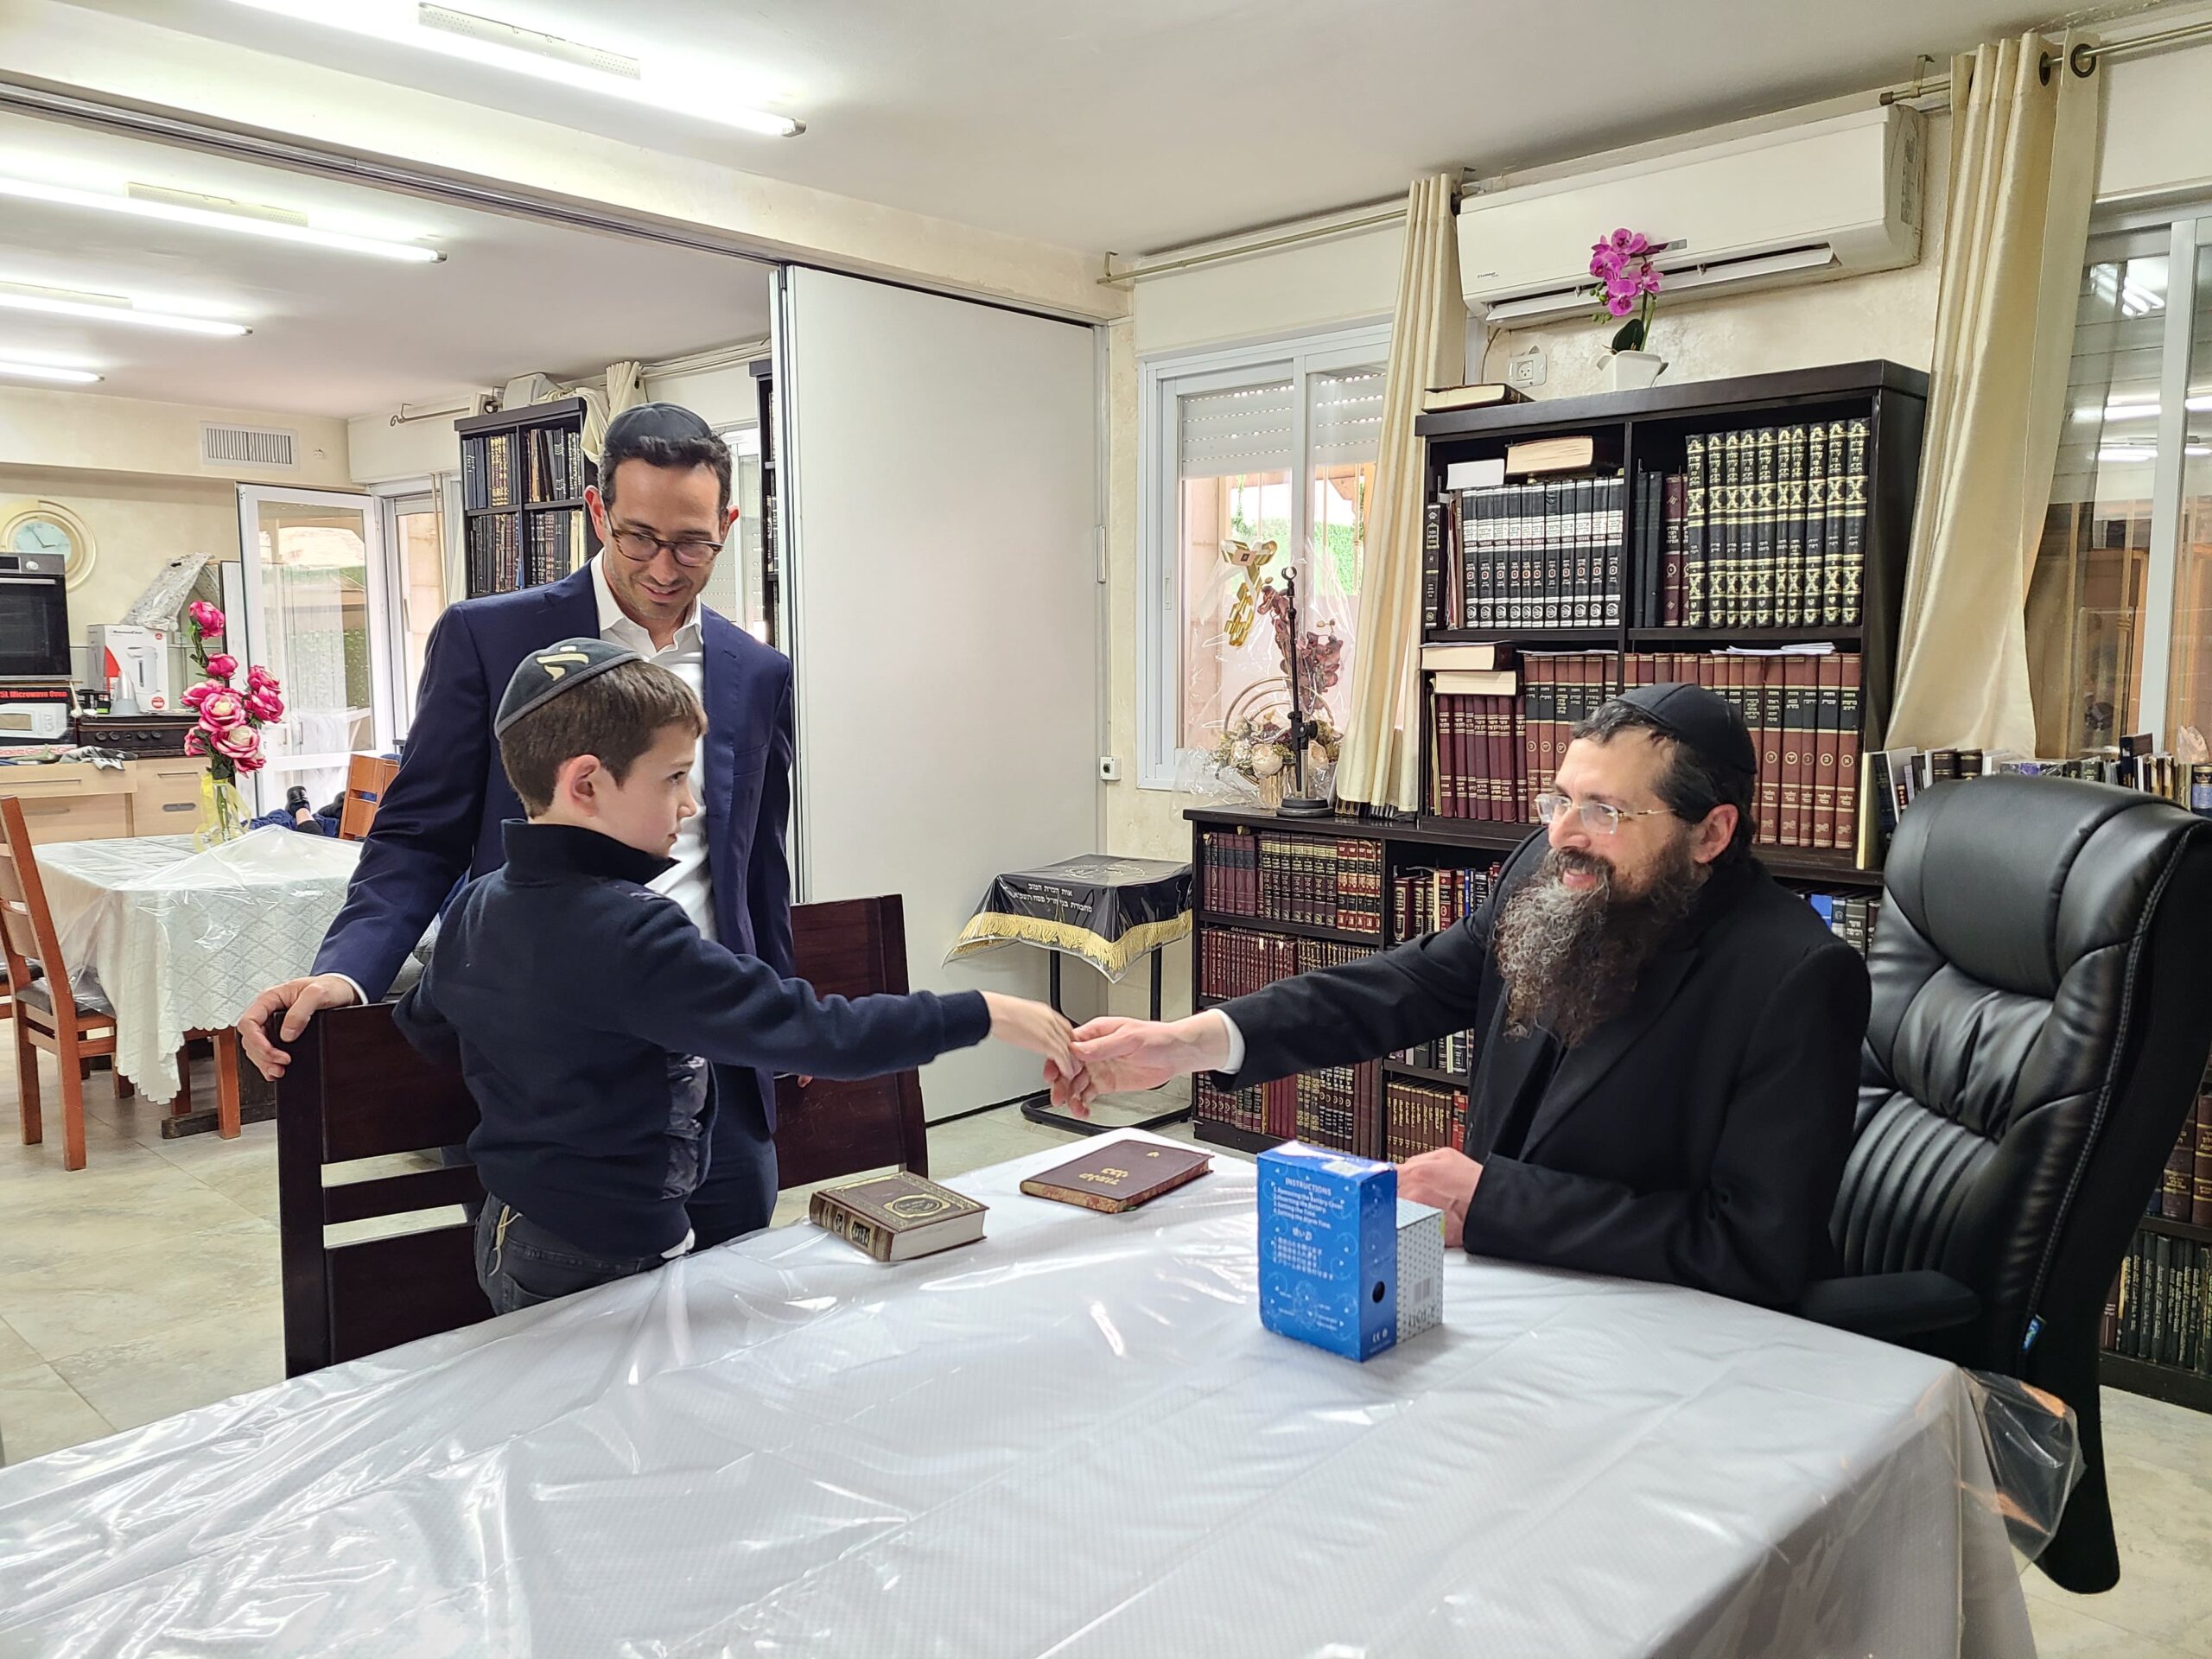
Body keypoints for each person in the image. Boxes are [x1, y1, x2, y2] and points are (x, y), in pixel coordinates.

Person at [1054, 683, 1872, 1308]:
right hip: (1508, 1290)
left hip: (1665, 1331)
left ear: (1712, 832)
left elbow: (1754, 1248)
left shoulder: (1795, 976)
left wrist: (1497, 1202)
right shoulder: (1548, 872)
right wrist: (1192, 1041)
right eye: (1560, 800)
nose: (1563, 834)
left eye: (1605, 811)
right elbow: (1402, 985)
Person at [238, 403, 802, 1247]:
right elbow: (418, 834)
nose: (663, 567)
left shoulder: (755, 671)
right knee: (560, 1306)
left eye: (692, 544)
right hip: (543, 1072)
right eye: (639, 537)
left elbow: (756, 864)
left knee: (734, 1288)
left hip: (712, 1040)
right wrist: (347, 973)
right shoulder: (489, 638)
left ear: (726, 525)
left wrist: (779, 1025)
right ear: (597, 512)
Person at [397, 639, 1075, 1312]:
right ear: (586, 784)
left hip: (512, 1229)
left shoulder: (480, 903)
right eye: (672, 778)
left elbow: (426, 1022)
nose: (689, 805)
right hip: (611, 1251)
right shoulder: (629, 931)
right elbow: (820, 1033)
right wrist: (984, 1011)